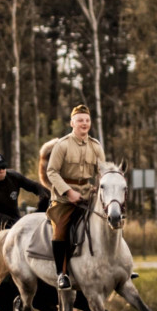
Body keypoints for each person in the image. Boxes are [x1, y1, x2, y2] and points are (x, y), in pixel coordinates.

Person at [45, 105, 106, 290]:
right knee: (61, 228)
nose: (84, 123)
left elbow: (102, 171)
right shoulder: (62, 145)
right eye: (80, 120)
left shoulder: (96, 146)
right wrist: (68, 192)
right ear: (72, 123)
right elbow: (51, 172)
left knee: (111, 220)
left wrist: (102, 186)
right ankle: (61, 274)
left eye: (87, 120)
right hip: (64, 199)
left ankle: (117, 266)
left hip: (89, 195)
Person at [0, 153, 49, 231]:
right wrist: (0, 217)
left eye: (3, 167)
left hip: (16, 223)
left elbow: (34, 186)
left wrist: (43, 195)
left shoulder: (13, 176)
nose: (1, 171)